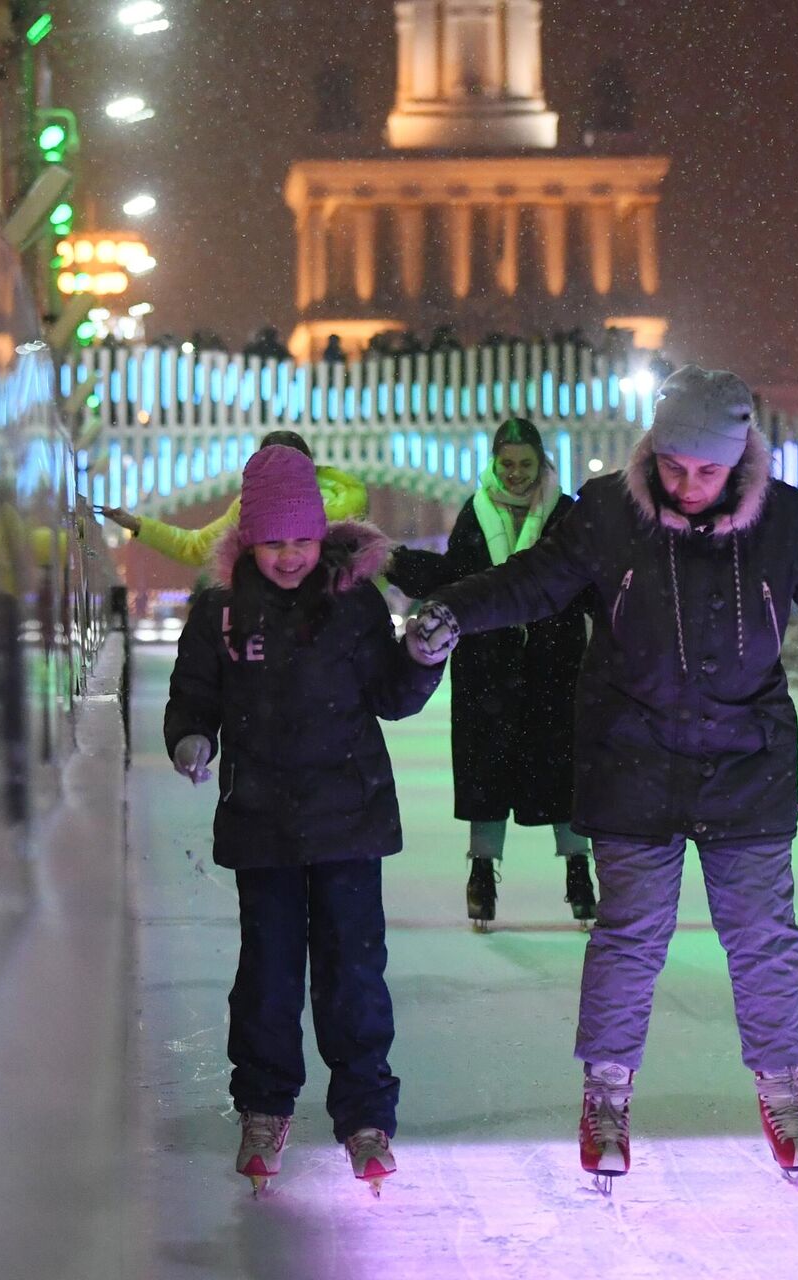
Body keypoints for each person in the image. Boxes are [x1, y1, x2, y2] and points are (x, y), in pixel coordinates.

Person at [405, 365, 798, 1190]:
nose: (688, 485)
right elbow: (534, 582)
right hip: (633, 759)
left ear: (739, 458)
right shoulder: (608, 516)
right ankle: (605, 1093)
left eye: (707, 470)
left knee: (765, 939)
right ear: (653, 452)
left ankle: (783, 1090)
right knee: (630, 938)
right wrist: (457, 608)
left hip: (748, 763)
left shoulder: (784, 520)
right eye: (673, 466)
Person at [163, 444, 442, 1194]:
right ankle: (264, 1104)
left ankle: (364, 1114)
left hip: (349, 817)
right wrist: (191, 738)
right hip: (264, 824)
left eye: (302, 539)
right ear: (250, 539)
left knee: (354, 971)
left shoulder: (352, 602)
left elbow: (391, 694)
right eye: (274, 541)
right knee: (269, 974)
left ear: (322, 535)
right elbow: (193, 697)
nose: (289, 557)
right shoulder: (221, 612)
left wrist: (419, 656)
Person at [386, 417, 595, 927]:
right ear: (495, 463)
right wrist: (395, 563)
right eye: (508, 464)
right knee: (486, 767)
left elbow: (588, 580)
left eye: (526, 465)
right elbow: (454, 577)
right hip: (487, 666)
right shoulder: (474, 516)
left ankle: (578, 870)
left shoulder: (565, 515)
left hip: (554, 664)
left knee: (562, 767)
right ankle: (482, 873)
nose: (517, 474)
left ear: (542, 463)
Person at [100, 430, 368, 569]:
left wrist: (139, 525)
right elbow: (197, 547)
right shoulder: (344, 503)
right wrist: (138, 525)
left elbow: (195, 548)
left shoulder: (252, 510)